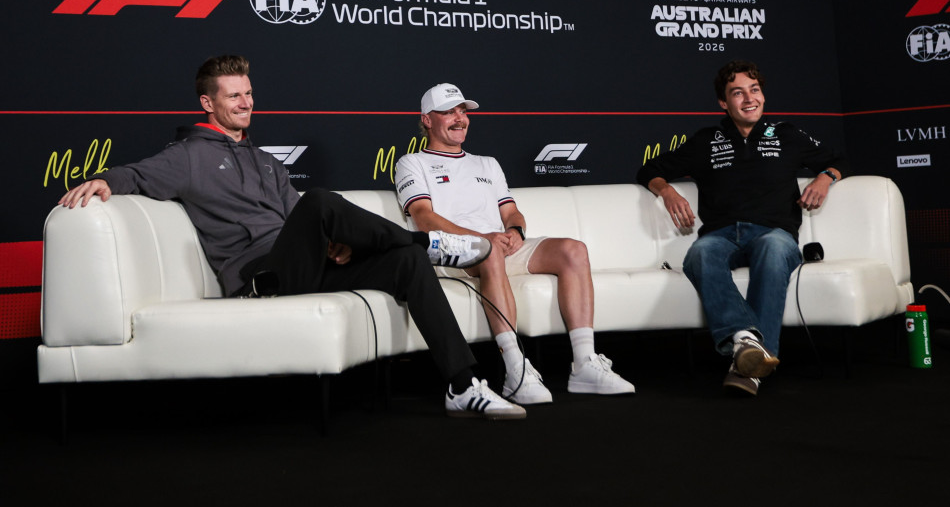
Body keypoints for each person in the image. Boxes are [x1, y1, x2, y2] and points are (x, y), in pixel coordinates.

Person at [58, 55, 526, 420]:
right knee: (320, 201)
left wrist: (334, 243)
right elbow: (137, 174)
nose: (245, 103)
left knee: (407, 263)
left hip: (303, 266)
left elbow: (296, 222)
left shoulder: (266, 162)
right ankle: (424, 241)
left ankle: (462, 385)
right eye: (233, 96)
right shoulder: (188, 156)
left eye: (248, 93)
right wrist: (104, 181)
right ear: (208, 103)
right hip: (259, 279)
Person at [394, 83, 636, 405]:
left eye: (463, 111)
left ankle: (585, 364)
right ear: (427, 120)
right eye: (449, 112)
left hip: (496, 247)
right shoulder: (411, 163)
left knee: (573, 250)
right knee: (491, 253)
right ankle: (516, 371)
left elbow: (511, 211)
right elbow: (424, 218)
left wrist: (516, 231)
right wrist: (484, 239)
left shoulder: (487, 163)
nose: (460, 118)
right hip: (451, 251)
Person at [636, 59, 850, 395]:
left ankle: (748, 366)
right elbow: (649, 169)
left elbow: (839, 159)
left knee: (774, 249)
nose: (750, 99)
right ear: (724, 102)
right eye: (738, 93)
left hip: (774, 233)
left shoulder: (787, 134)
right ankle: (747, 342)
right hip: (722, 235)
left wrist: (825, 177)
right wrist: (667, 191)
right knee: (700, 254)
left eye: (755, 90)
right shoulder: (706, 140)